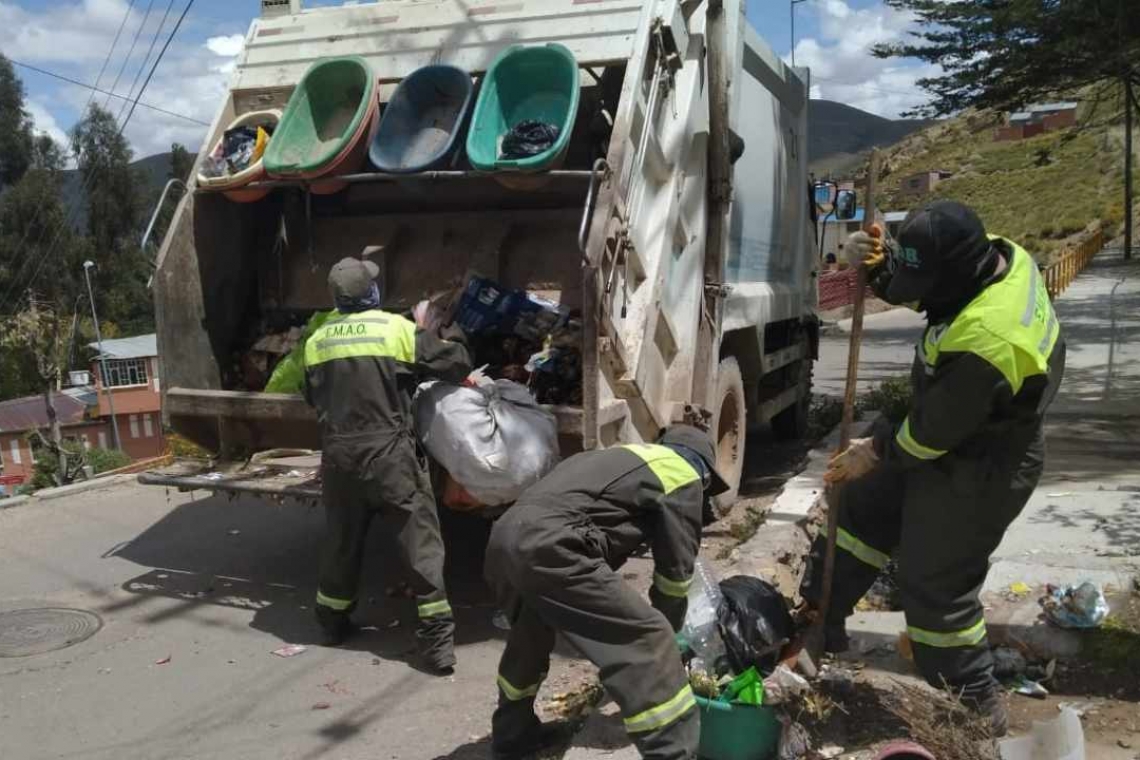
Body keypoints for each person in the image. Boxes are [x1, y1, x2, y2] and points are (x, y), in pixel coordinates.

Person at [802, 201, 1065, 735]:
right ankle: (817, 620)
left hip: (985, 458)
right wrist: (875, 264)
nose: (916, 295)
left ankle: (972, 705)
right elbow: (924, 281)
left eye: (925, 284)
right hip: (947, 420)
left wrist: (874, 451)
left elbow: (928, 437)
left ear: (957, 276)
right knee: (860, 505)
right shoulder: (989, 253)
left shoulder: (990, 340)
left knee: (933, 579)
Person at [484, 424, 729, 760]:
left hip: (503, 541)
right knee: (649, 640)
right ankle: (674, 752)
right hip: (550, 546)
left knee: (530, 637)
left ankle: (514, 736)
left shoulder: (617, 458)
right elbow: (675, 574)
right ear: (704, 472)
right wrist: (670, 635)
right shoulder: (682, 473)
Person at [298, 252, 472, 673]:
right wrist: (444, 330)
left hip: (340, 457)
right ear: (370, 293)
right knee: (420, 545)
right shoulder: (395, 329)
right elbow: (456, 364)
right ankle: (436, 645)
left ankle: (331, 622)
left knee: (342, 542)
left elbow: (311, 395)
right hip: (390, 455)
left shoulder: (316, 341)